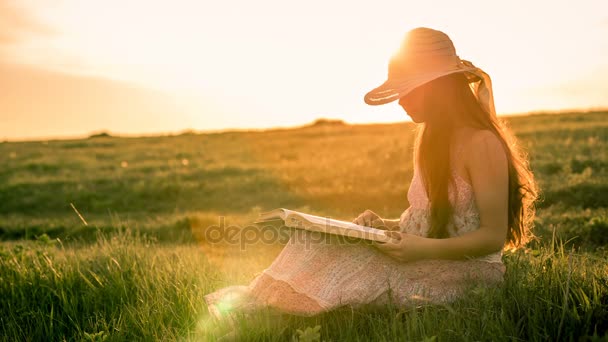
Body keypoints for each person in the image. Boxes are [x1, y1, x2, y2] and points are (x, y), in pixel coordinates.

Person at [204, 27, 538, 318]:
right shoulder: (431, 139)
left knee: (358, 268)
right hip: (425, 257)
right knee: (316, 241)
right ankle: (260, 308)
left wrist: (418, 249)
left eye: (407, 89)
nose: (401, 100)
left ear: (436, 88)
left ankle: (267, 313)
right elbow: (434, 219)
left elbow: (492, 237)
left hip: (466, 273)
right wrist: (385, 227)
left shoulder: (481, 144)